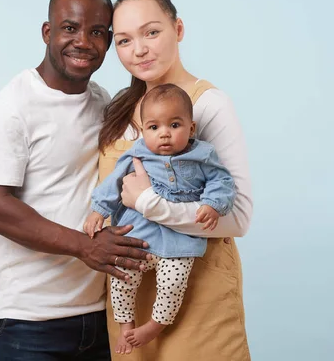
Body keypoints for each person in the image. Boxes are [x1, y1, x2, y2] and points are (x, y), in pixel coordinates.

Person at [0, 0, 151, 361]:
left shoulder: (103, 102)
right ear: (47, 32)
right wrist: (86, 246)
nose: (83, 41)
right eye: (70, 28)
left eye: (97, 32)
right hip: (30, 320)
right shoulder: (9, 108)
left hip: (102, 314)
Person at [98, 0, 253, 360]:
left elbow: (238, 217)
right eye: (123, 40)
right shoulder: (120, 110)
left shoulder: (207, 103)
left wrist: (148, 203)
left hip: (196, 297)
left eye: (152, 32)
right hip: (130, 300)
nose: (139, 49)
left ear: (178, 29)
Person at [84, 83, 236, 354]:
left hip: (179, 242)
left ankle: (155, 325)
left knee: (173, 284)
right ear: (143, 130)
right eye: (154, 127)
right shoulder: (137, 153)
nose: (164, 134)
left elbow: (222, 180)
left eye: (174, 125)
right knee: (121, 279)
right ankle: (126, 327)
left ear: (191, 128)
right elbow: (113, 183)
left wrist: (213, 205)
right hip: (138, 236)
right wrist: (99, 210)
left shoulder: (202, 155)